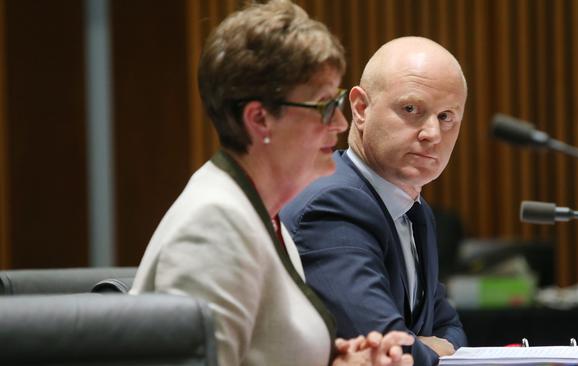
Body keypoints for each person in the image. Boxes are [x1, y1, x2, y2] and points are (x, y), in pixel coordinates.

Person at [129, 1, 414, 365]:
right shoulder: (215, 227)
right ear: (260, 119)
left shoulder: (261, 213)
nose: (341, 124)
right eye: (323, 106)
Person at [281, 36, 468, 365]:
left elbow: (450, 326)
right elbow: (390, 352)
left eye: (446, 117)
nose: (432, 134)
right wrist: (426, 347)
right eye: (411, 109)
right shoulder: (331, 206)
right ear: (361, 109)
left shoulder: (414, 210)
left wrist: (434, 345)